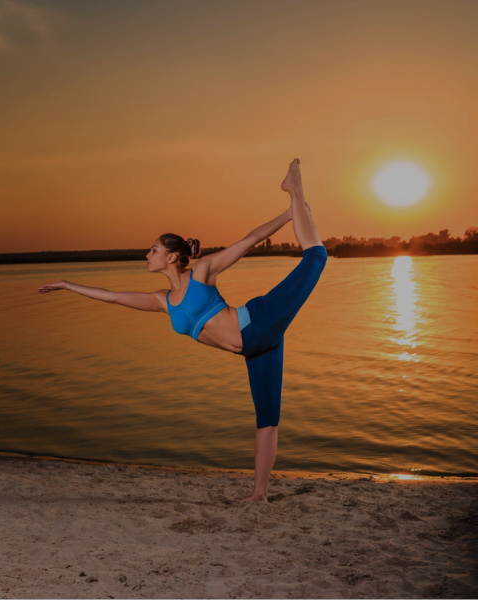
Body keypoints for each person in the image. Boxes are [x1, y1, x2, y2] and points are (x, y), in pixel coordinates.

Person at [37, 158, 328, 502]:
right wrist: (68, 285)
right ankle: (259, 494)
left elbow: (250, 239)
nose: (148, 254)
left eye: (154, 249)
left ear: (173, 257)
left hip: (258, 321)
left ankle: (294, 186)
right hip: (257, 349)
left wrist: (288, 214)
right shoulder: (164, 301)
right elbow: (114, 297)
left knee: (316, 258)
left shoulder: (203, 272)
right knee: (266, 418)